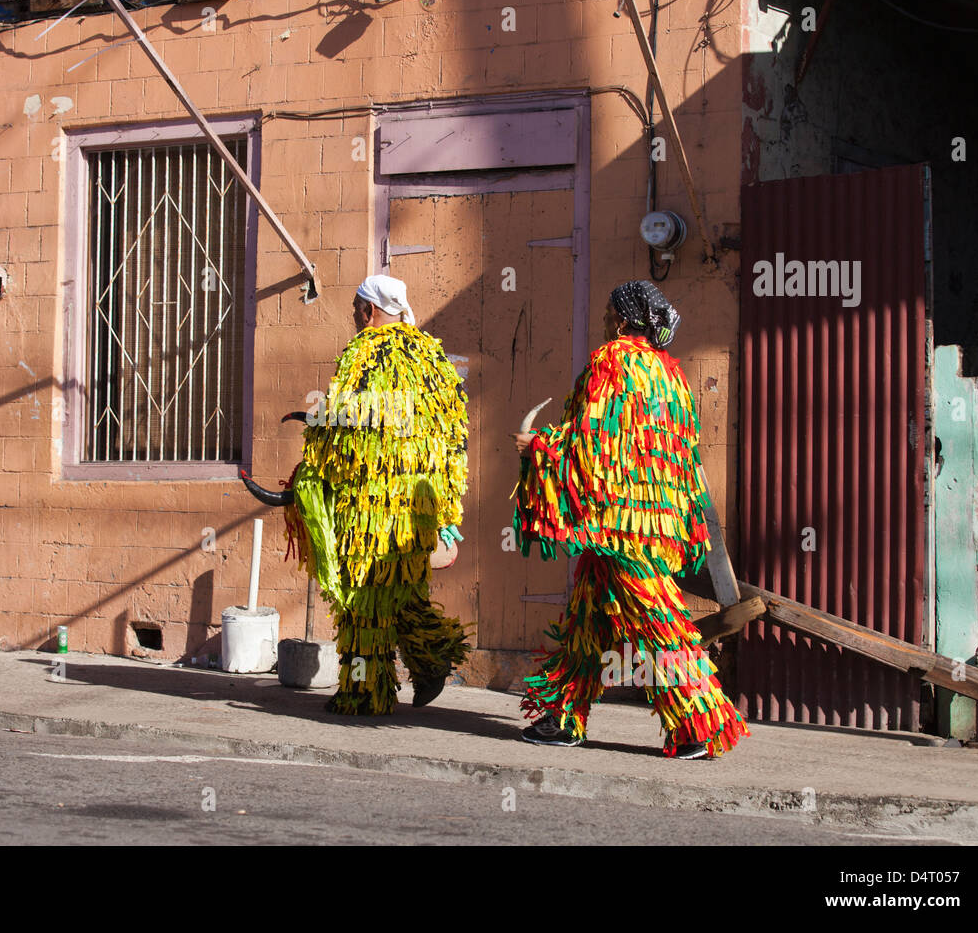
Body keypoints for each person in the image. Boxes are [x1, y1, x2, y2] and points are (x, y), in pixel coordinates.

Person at [510, 280, 749, 758]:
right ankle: (562, 718)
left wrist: (538, 448)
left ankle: (701, 725)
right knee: (587, 620)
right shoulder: (670, 374)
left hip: (621, 528)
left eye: (607, 311)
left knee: (658, 624)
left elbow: (594, 444)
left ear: (623, 319)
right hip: (655, 519)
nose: (603, 318)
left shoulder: (612, 360)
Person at [285, 274, 471, 715]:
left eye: (355, 307)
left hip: (371, 504)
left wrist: (316, 451)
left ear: (370, 311)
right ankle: (431, 653)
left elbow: (351, 428)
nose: (353, 316)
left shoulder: (365, 352)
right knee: (400, 589)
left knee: (362, 598)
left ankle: (364, 691)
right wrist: (445, 507)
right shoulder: (432, 356)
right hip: (421, 504)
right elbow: (452, 434)